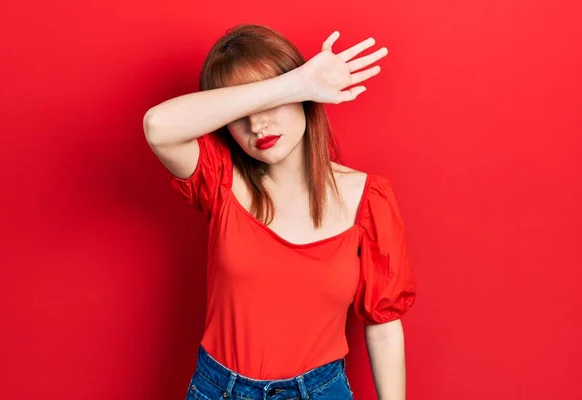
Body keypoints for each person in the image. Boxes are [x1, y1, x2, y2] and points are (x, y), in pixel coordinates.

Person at [143, 23, 416, 400]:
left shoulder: (369, 198)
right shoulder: (221, 179)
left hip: (321, 391)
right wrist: (294, 85)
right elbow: (158, 126)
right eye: (244, 111)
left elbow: (384, 326)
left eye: (270, 106)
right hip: (220, 390)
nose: (257, 124)